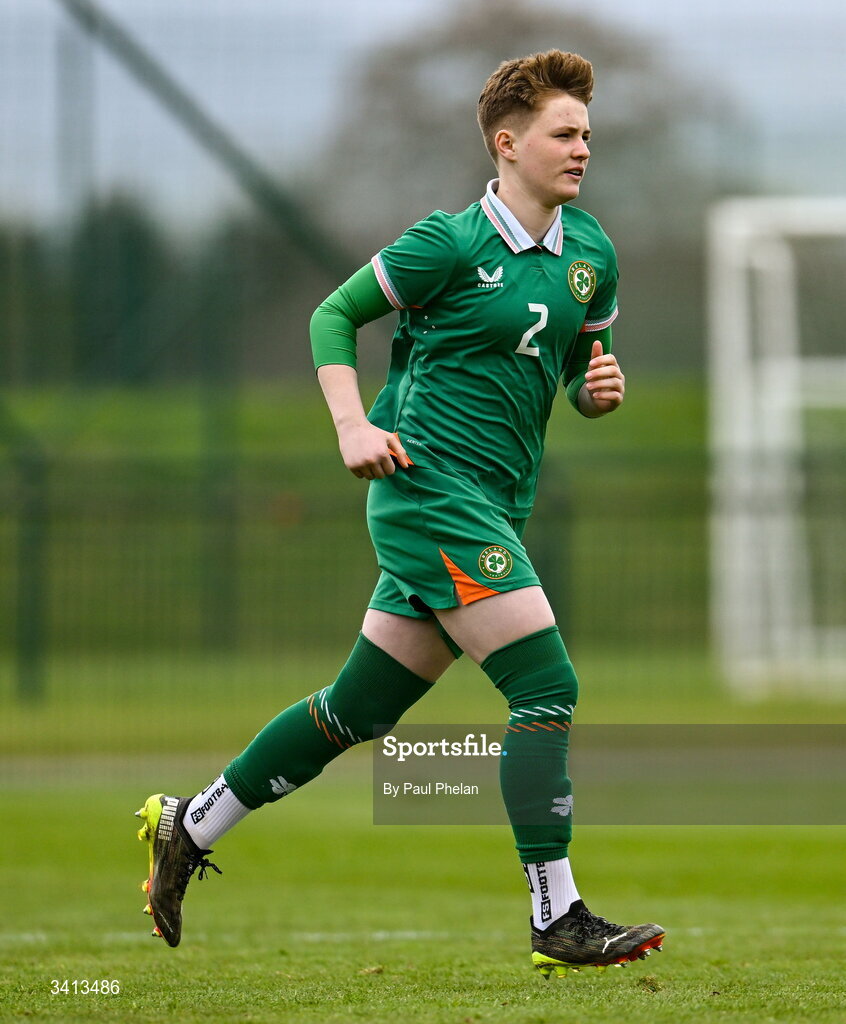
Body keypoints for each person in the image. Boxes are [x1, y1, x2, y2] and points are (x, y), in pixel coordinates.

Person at [135, 48, 665, 975]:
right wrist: (349, 427)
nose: (584, 147)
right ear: (508, 144)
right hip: (427, 492)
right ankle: (558, 914)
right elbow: (330, 318)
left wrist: (597, 389)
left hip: (492, 504)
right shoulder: (449, 244)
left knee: (355, 711)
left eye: (588, 132)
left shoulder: (592, 254)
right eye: (564, 132)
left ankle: (193, 820)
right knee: (546, 686)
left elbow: (579, 369)